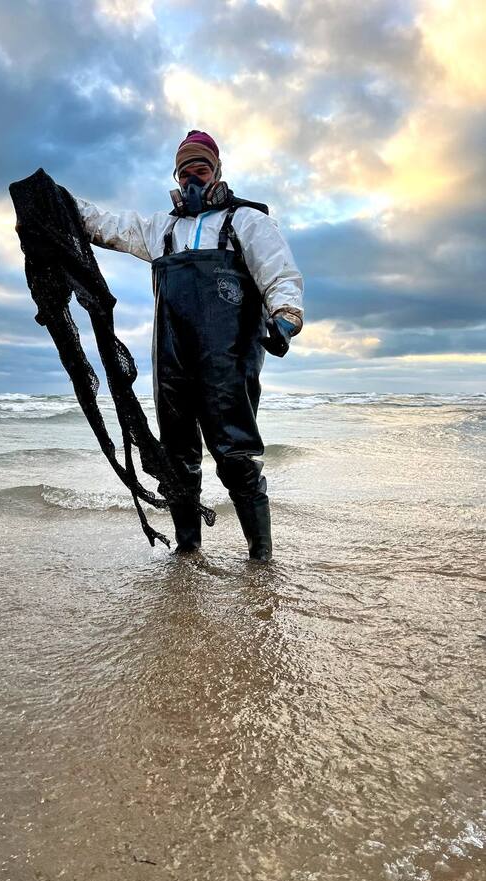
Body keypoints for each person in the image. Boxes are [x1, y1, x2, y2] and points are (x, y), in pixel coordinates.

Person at [22, 130, 304, 560]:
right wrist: (57, 200)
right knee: (177, 456)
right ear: (176, 176)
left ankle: (260, 557)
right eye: (184, 172)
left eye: (201, 169)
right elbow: (104, 225)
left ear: (217, 172)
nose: (192, 179)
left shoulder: (246, 221)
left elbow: (279, 272)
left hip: (228, 357)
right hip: (172, 359)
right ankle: (187, 551)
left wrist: (286, 316)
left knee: (235, 455)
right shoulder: (163, 229)